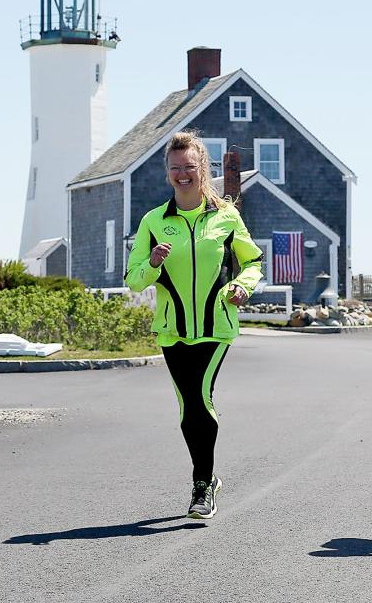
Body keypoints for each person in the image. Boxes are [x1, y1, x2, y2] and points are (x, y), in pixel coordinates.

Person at [125, 130, 263, 519]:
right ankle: (207, 477)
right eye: (175, 168)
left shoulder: (225, 216)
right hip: (172, 329)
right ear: (167, 172)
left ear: (202, 168)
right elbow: (133, 279)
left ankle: (201, 485)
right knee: (188, 405)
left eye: (189, 167)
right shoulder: (154, 221)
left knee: (201, 397)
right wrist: (152, 263)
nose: (182, 174)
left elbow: (252, 262)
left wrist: (241, 285)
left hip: (216, 325)